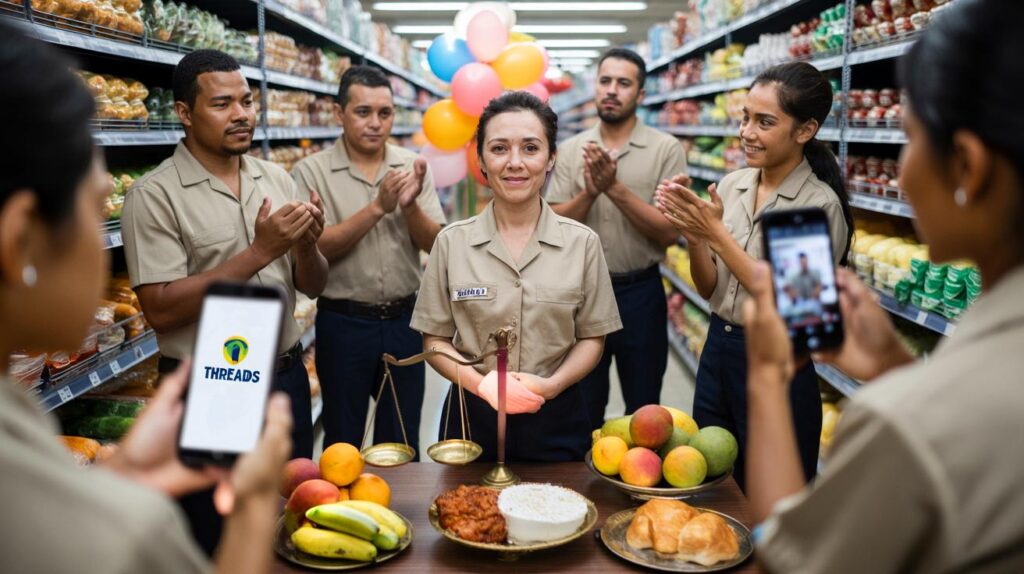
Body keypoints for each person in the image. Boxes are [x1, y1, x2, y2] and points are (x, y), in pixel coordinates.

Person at [0, 22, 291, 574]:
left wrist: (120, 478)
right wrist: (254, 502)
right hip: (213, 377)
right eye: (93, 209)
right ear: (20, 241)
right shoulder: (123, 529)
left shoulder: (19, 428)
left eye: (247, 101)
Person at [745, 3, 1024, 571]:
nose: (902, 171)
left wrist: (768, 378)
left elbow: (790, 560)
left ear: (967, 168)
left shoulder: (907, 423)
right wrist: (898, 370)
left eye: (909, 139)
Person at [122, 49, 327, 552]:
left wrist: (306, 245)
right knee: (217, 531)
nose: (241, 115)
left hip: (285, 377)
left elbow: (314, 284)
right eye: (222, 104)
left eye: (247, 101)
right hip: (213, 384)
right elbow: (160, 308)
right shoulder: (154, 195)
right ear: (185, 113)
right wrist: (260, 251)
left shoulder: (276, 178)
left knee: (296, 520)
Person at [655, 61, 854, 490]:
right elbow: (710, 288)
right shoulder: (733, 186)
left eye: (765, 122)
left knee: (771, 497)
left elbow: (797, 307)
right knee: (711, 484)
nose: (746, 132)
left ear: (805, 130)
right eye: (745, 118)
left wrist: (716, 233)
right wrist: (695, 238)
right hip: (717, 351)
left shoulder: (814, 205)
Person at [411, 92, 623, 462]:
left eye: (530, 148)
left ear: (551, 157)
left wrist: (552, 385)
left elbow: (592, 338)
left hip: (557, 417)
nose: (514, 163)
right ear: (480, 159)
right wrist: (482, 385)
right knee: (466, 502)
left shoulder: (582, 243)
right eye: (498, 149)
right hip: (470, 417)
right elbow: (435, 339)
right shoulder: (451, 242)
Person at [292, 66, 445, 455]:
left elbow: (437, 244)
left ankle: (396, 497)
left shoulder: (412, 166)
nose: (376, 123)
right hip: (343, 324)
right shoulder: (311, 171)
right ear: (339, 113)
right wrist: (378, 207)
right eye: (363, 112)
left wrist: (409, 207)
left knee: (401, 441)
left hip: (405, 322)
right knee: (343, 440)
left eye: (385, 113)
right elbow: (315, 246)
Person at [547, 47, 687, 427]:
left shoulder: (665, 149)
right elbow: (553, 224)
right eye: (605, 81)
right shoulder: (571, 150)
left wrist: (614, 189)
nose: (612, 90)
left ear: (640, 94)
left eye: (623, 83)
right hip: (581, 295)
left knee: (644, 411)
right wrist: (590, 193)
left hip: (641, 294)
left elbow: (669, 232)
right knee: (582, 407)